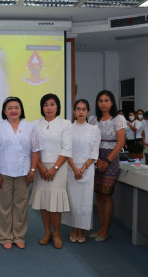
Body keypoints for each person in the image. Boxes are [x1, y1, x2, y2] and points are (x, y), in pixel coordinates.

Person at [0, 97, 42, 250]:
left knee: (20, 206)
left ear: (21, 110)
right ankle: (6, 236)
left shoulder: (30, 127)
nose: (13, 110)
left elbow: (35, 151)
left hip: (24, 173)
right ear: (4, 111)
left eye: (16, 107)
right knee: (5, 206)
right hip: (4, 172)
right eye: (10, 108)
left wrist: (33, 170)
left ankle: (19, 236)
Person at [29, 93, 72, 249]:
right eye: (46, 104)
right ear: (42, 107)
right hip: (40, 167)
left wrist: (53, 168)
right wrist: (40, 167)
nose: (49, 108)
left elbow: (67, 149)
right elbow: (33, 148)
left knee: (55, 202)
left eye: (52, 104)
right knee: (44, 201)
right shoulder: (34, 124)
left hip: (58, 168)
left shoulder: (65, 124)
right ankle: (47, 232)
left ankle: (57, 234)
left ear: (57, 107)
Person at [89, 90, 126, 242]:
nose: (103, 103)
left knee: (106, 194)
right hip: (96, 159)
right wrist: (97, 160)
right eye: (100, 100)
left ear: (112, 103)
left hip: (111, 160)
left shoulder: (119, 119)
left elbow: (120, 142)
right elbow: (90, 142)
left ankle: (106, 230)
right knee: (98, 194)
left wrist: (107, 161)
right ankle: (101, 228)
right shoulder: (93, 120)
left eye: (106, 100)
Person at [61, 99, 101, 243]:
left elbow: (94, 152)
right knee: (73, 200)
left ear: (88, 111)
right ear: (74, 111)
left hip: (87, 169)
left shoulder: (94, 129)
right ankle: (74, 228)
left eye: (84, 109)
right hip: (71, 168)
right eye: (78, 109)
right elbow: (66, 150)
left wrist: (83, 168)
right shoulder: (68, 128)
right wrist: (75, 168)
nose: (81, 112)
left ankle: (81, 229)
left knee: (85, 201)